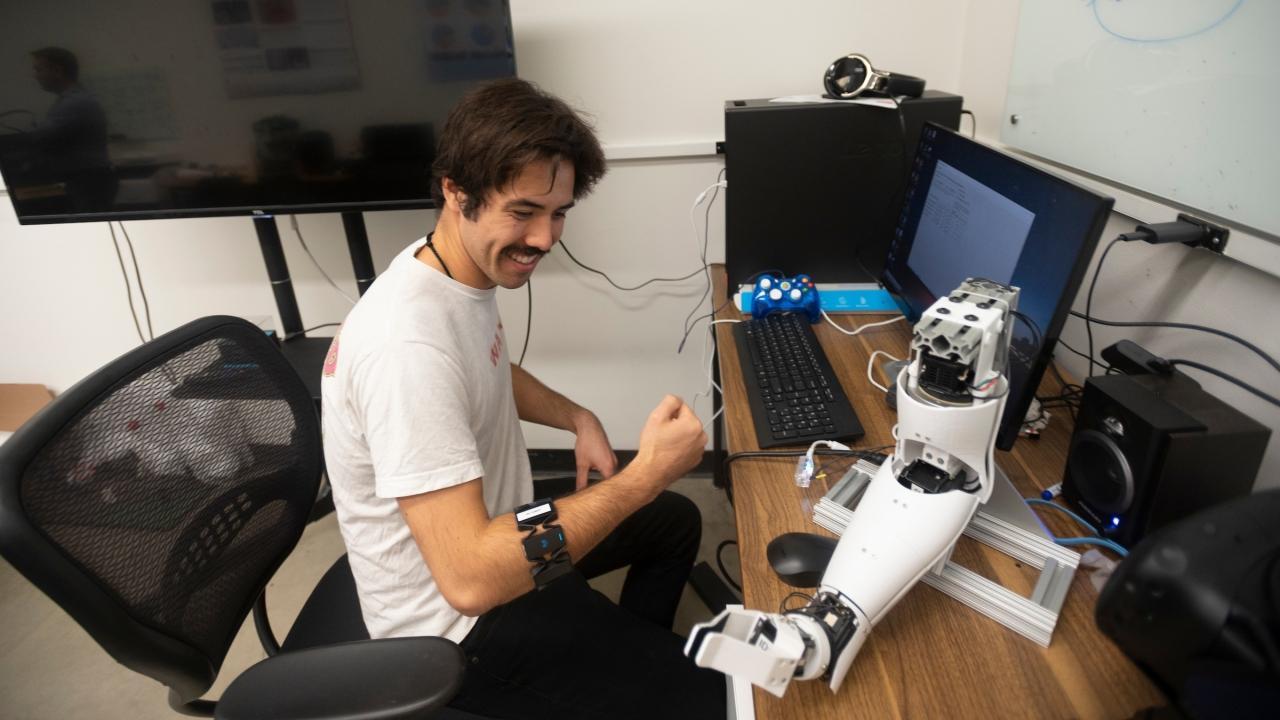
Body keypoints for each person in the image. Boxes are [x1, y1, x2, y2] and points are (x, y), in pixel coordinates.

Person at [320, 78, 726, 719]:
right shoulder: (405, 348)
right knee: (720, 702)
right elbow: (471, 580)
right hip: (462, 625)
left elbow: (487, 367)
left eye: (558, 212)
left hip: (503, 530)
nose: (544, 238)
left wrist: (578, 417)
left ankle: (622, 671)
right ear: (456, 191)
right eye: (524, 212)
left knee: (671, 522)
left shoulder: (446, 268)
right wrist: (645, 473)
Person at [28, 47, 116, 213]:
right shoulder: (72, 99)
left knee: (90, 224)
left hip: (88, 181)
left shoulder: (75, 102)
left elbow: (41, 137)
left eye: (39, 69)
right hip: (87, 179)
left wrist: (36, 131)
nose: (35, 75)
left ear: (57, 71)